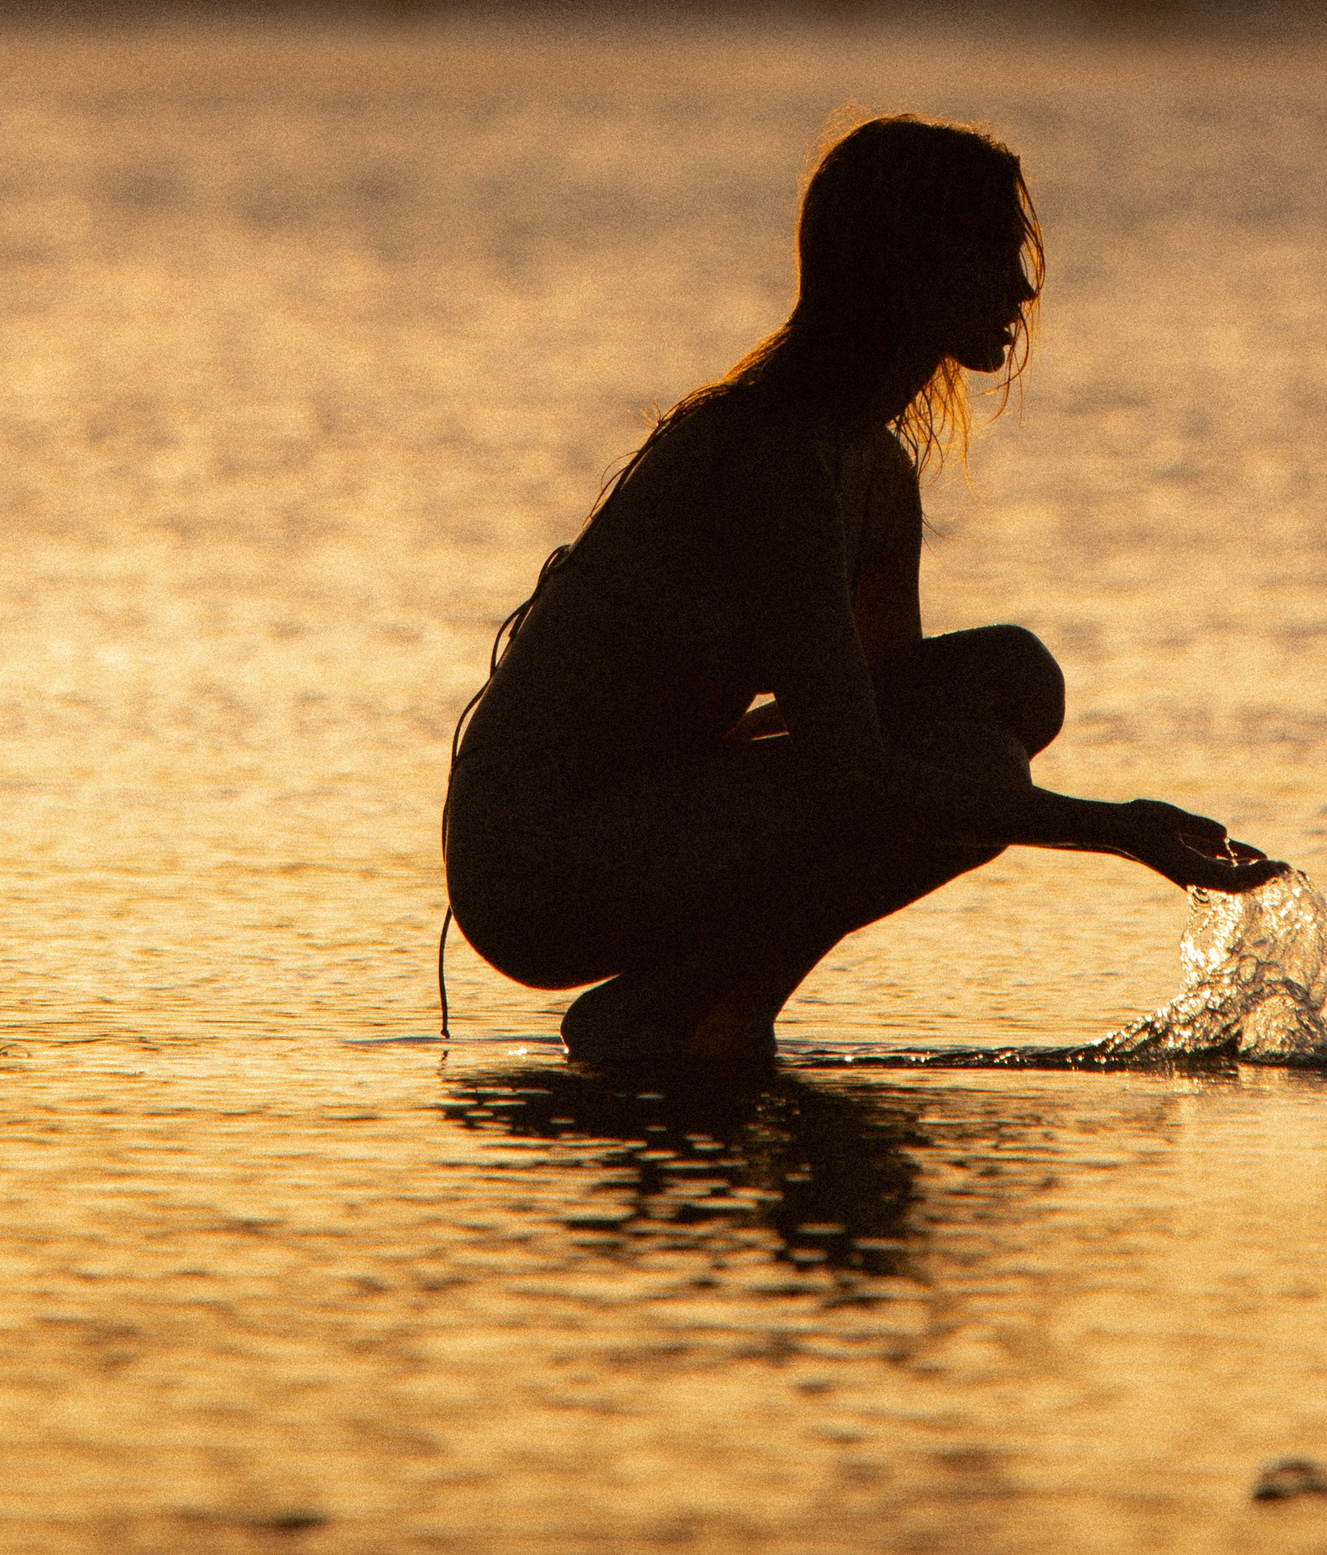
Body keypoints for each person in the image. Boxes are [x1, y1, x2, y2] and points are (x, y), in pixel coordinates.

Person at [442, 113, 1277, 1063]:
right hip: (536, 863)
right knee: (971, 767)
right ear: (908, 269)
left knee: (1012, 682)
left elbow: (875, 740)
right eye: (992, 253)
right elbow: (859, 777)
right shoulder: (773, 462)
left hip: (648, 814)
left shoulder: (873, 474)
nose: (1022, 286)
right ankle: (667, 1007)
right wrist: (1119, 830)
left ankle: (710, 1001)